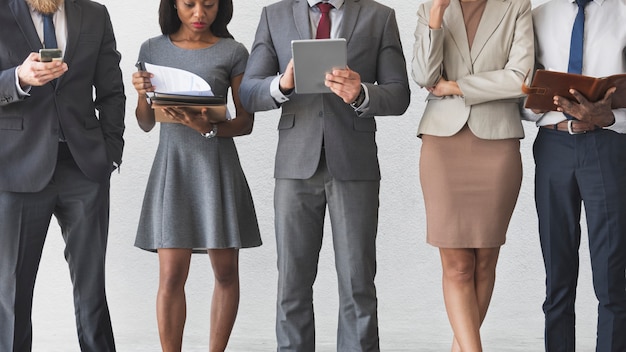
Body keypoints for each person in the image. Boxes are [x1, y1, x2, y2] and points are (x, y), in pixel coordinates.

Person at [239, 0, 410, 350]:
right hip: (294, 165)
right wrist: (282, 85)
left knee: (357, 282)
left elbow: (399, 93)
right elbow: (248, 91)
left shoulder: (380, 16)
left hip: (354, 163)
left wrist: (361, 92)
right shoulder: (274, 15)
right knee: (292, 283)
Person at [131, 0, 261, 351]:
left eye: (209, 5)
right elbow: (145, 123)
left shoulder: (234, 51)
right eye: (189, 4)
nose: (200, 13)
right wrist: (142, 95)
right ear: (174, 5)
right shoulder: (151, 48)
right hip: (173, 167)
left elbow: (245, 122)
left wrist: (209, 128)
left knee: (225, 273)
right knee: (171, 275)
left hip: (216, 166)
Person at [0, 0, 125, 350]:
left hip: (85, 168)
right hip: (16, 171)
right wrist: (18, 78)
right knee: (11, 295)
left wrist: (110, 154)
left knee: (92, 294)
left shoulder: (95, 14)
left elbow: (112, 90)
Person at [412, 0, 533, 350]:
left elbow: (520, 79)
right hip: (442, 146)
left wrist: (456, 87)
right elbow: (423, 75)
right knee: (458, 265)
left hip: (497, 144)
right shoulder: (429, 9)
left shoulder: (516, 7)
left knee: (484, 263)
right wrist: (436, 15)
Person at [528, 1, 626, 350]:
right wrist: (530, 104)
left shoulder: (623, 11)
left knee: (612, 274)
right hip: (554, 146)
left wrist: (609, 115)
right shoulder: (537, 16)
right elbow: (522, 87)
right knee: (557, 271)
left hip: (608, 146)